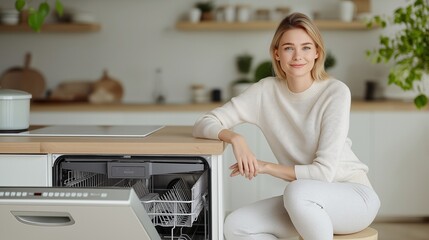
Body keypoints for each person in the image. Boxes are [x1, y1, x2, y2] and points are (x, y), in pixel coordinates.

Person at [193, 12, 380, 240]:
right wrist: (235, 138)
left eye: (306, 47)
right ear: (277, 53)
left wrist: (264, 167)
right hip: (304, 201)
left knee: (296, 191)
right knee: (235, 225)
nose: (297, 56)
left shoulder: (335, 92)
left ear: (317, 52)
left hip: (353, 197)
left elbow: (322, 173)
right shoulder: (265, 91)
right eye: (289, 48)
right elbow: (204, 123)